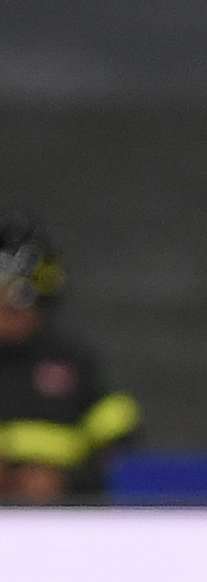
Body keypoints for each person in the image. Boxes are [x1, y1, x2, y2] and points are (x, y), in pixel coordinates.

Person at [0, 215, 139, 501]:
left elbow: (122, 448)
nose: (10, 313)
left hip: (59, 519)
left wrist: (65, 482)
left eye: (21, 300)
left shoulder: (74, 363)